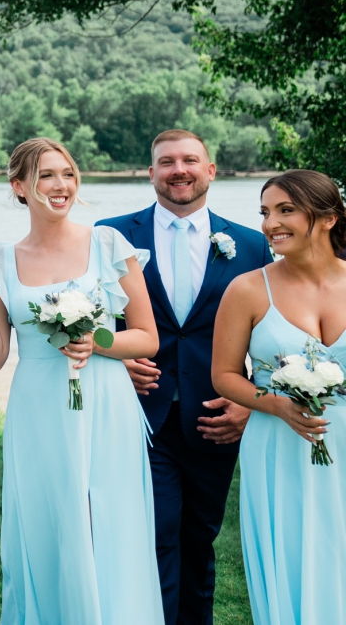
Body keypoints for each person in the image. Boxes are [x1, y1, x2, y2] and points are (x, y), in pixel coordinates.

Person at [0, 136, 160, 624]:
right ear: (19, 187)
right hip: (39, 407)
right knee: (49, 521)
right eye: (46, 175)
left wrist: (99, 342)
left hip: (106, 401)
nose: (61, 185)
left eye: (68, 173)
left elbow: (147, 337)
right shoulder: (3, 261)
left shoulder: (109, 244)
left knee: (109, 522)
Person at [99, 129, 271, 625]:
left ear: (210, 170)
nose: (180, 170)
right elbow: (90, 317)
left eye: (190, 160)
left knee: (199, 536)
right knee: (155, 531)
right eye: (167, 161)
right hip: (139, 413)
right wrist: (116, 360)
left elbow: (270, 330)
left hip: (215, 414)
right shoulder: (109, 235)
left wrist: (249, 401)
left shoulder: (251, 244)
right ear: (150, 171)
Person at [210, 168, 346, 625]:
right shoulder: (247, 289)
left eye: (286, 210)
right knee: (288, 557)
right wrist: (276, 405)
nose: (270, 223)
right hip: (277, 447)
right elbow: (225, 375)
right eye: (266, 212)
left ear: (327, 218)